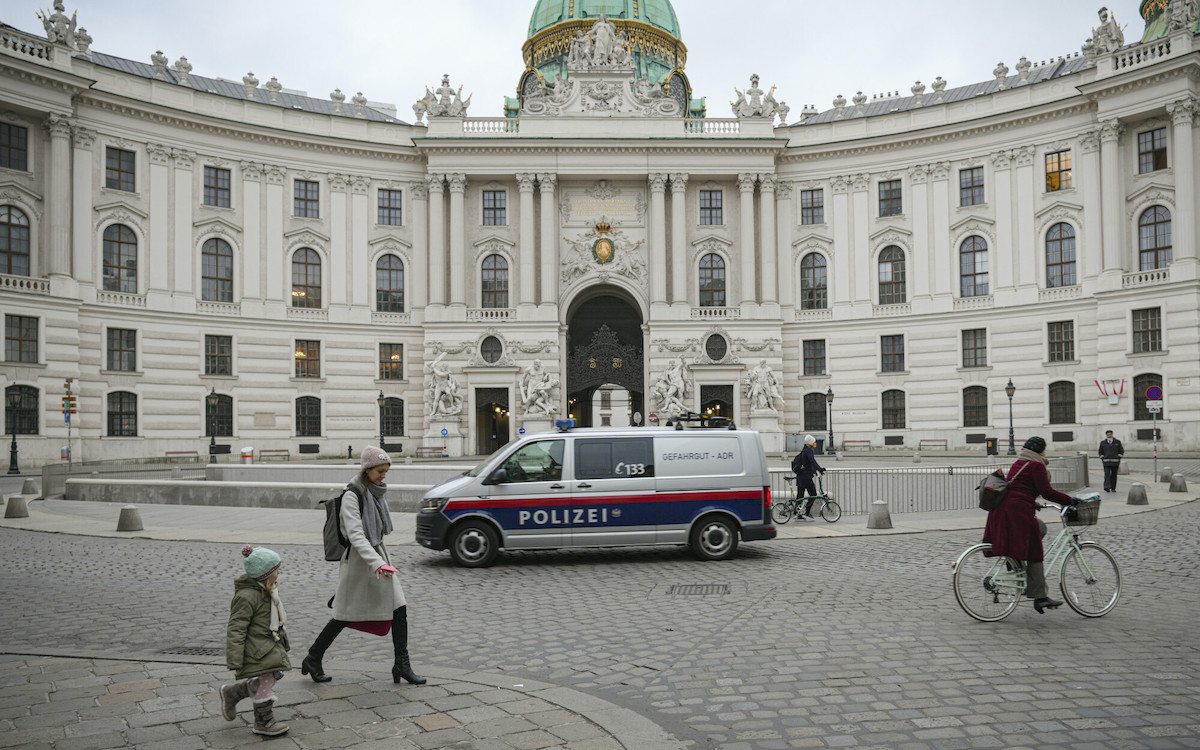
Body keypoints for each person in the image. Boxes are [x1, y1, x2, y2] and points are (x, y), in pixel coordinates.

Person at [302, 447, 426, 686]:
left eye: (386, 471)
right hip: (359, 565)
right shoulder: (352, 495)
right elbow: (356, 536)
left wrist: (381, 562)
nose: (383, 476)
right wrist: (378, 563)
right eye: (380, 471)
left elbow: (375, 533)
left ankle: (401, 664)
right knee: (344, 615)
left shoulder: (375, 492)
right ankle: (313, 657)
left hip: (378, 560)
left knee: (399, 609)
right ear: (367, 469)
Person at [982, 436, 1077, 613]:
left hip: (1004, 510)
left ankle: (1016, 560)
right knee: (1034, 550)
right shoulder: (1036, 465)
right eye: (1044, 449)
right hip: (1017, 513)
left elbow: (1018, 488)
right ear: (1040, 450)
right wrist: (1069, 500)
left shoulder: (1020, 462)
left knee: (1041, 528)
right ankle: (1040, 596)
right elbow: (1047, 491)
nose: (1045, 453)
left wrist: (1032, 502)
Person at [221, 545, 291, 737]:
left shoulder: (267, 590)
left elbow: (273, 621)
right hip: (257, 649)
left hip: (268, 646)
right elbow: (236, 628)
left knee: (271, 676)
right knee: (267, 680)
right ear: (264, 574)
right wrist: (235, 658)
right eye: (275, 570)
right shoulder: (247, 596)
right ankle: (263, 722)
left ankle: (234, 693)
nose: (278, 573)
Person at [791, 434, 825, 519]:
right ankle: (807, 512)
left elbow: (807, 464)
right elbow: (812, 461)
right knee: (813, 494)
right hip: (806, 477)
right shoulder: (808, 451)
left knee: (800, 495)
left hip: (801, 476)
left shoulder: (804, 450)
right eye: (814, 443)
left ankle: (797, 512)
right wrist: (819, 469)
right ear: (810, 443)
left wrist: (814, 471)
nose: (815, 444)